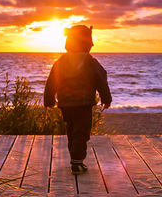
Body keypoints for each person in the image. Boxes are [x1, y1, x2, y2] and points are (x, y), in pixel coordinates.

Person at [44, 25, 112, 174]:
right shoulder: (90, 62)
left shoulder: (61, 62)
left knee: (72, 130)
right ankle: (77, 162)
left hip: (66, 104)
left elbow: (52, 82)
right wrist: (106, 98)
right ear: (88, 43)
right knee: (81, 132)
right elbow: (101, 80)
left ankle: (75, 159)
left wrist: (49, 100)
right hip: (83, 104)